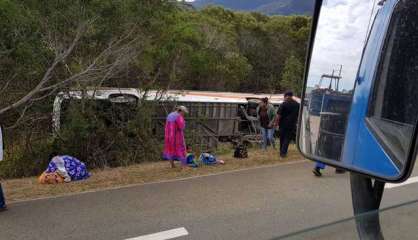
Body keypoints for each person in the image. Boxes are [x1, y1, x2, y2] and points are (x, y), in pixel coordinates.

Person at [276, 91, 300, 157]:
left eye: (285, 96)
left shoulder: (283, 104)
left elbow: (278, 115)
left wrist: (276, 124)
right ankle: (283, 153)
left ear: (286, 96)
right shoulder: (297, 104)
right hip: (292, 124)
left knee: (282, 138)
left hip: (283, 124)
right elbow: (299, 115)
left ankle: (282, 153)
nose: (285, 98)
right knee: (287, 138)